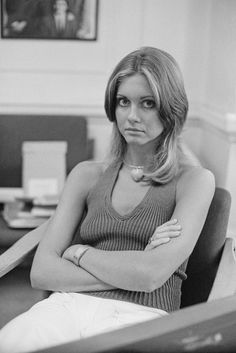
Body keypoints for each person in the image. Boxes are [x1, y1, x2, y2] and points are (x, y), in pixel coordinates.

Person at [0, 46, 215, 353]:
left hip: (144, 315)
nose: (132, 116)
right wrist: (133, 268)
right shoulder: (86, 176)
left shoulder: (195, 181)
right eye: (123, 102)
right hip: (68, 305)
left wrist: (78, 252)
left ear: (172, 108)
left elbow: (151, 277)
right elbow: (42, 273)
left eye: (148, 103)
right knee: (11, 341)